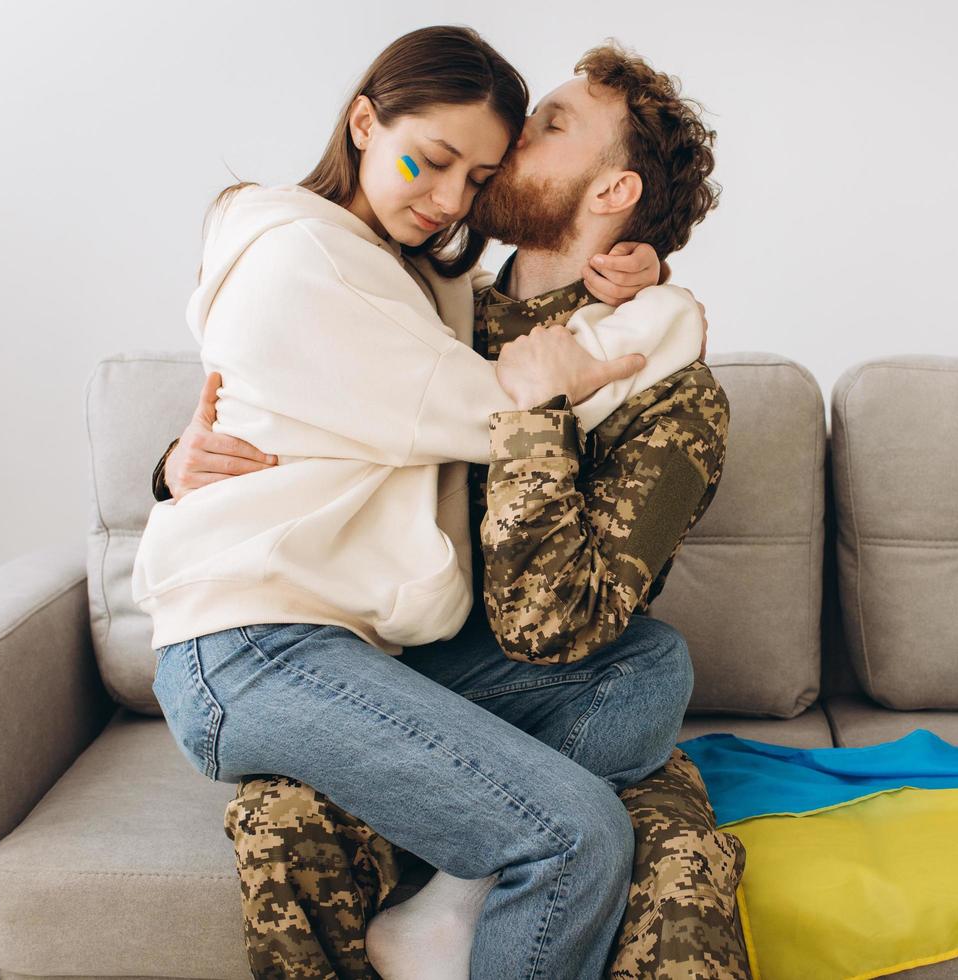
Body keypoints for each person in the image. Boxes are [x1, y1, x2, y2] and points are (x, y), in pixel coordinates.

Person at [143, 27, 748, 980]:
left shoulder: (656, 388)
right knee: (575, 834)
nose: (467, 187)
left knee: (651, 664)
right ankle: (498, 852)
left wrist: (653, 306)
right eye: (449, 164)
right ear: (364, 124)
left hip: (423, 653)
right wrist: (173, 466)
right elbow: (305, 380)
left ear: (613, 191)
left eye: (538, 132)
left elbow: (553, 629)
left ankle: (468, 882)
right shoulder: (417, 288)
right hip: (283, 640)